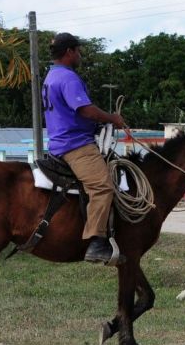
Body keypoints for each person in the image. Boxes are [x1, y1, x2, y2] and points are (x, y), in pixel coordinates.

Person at [42, 33, 126, 265]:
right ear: (69, 51)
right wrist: (112, 118)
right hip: (75, 144)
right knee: (102, 186)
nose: (80, 55)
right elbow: (85, 110)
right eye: (78, 50)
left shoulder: (51, 76)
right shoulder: (68, 78)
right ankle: (96, 243)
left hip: (60, 141)